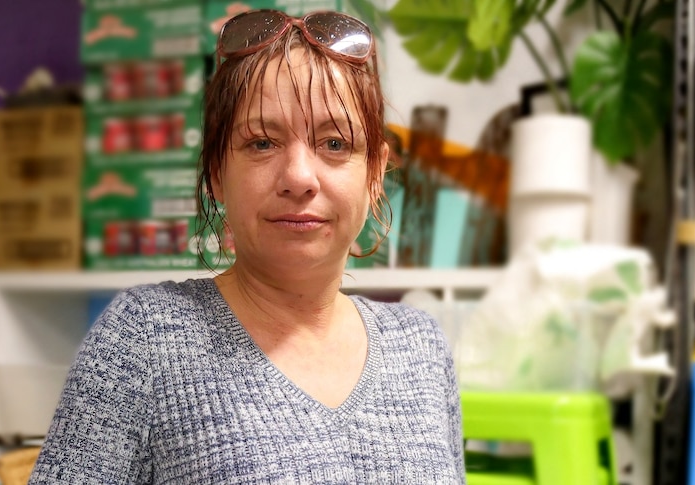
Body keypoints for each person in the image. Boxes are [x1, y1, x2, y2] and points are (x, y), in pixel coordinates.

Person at [29, 9, 465, 483]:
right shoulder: (143, 340)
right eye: (261, 143)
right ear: (217, 172)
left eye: (335, 144)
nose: (299, 177)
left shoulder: (421, 346)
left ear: (375, 174)